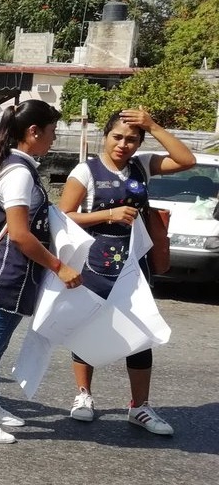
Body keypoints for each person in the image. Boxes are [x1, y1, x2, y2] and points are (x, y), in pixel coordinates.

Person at [57, 108, 194, 436]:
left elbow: (186, 160)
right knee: (87, 327)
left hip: (135, 265)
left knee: (139, 333)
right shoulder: (86, 171)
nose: (123, 144)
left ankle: (139, 407)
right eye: (117, 137)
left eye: (132, 139)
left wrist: (153, 125)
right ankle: (83, 396)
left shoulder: (142, 166)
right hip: (94, 263)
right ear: (105, 136)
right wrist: (109, 215)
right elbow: (63, 215)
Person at [0, 99, 83, 444]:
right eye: (52, 131)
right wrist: (60, 266)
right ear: (33, 132)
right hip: (10, 271)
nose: (54, 138)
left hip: (14, 271)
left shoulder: (19, 166)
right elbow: (20, 233)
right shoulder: (18, 173)